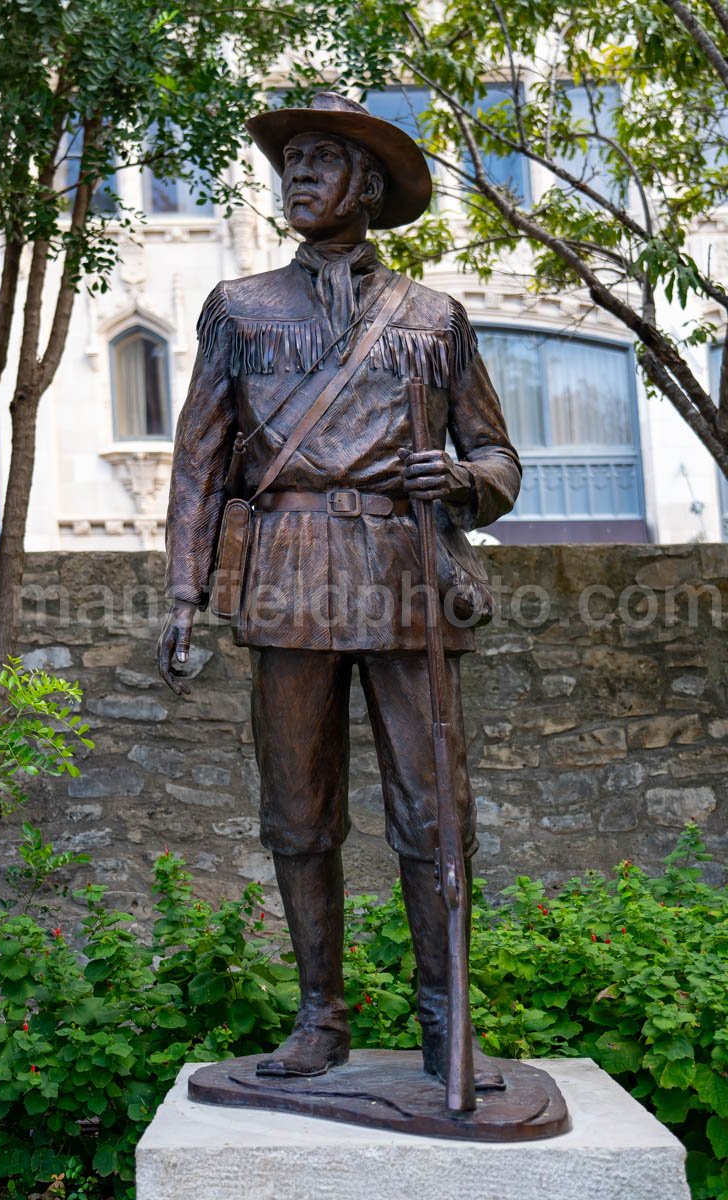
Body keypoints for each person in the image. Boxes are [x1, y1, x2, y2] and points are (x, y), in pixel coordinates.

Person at [158, 92, 521, 1083]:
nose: (298, 178)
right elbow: (198, 462)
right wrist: (185, 594)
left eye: (321, 161)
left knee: (433, 811)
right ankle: (319, 1016)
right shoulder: (238, 310)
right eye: (291, 164)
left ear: (365, 185)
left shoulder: (432, 318)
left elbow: (493, 455)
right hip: (283, 578)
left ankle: (447, 1021)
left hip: (403, 581)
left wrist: (460, 480)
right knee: (297, 812)